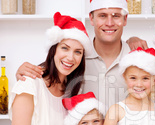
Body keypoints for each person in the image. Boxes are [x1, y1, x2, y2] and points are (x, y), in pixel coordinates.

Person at [10, 12, 92, 125]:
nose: (70, 57)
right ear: (53, 49)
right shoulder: (30, 84)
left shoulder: (72, 92)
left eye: (78, 52)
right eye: (65, 48)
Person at [15, 0, 147, 109]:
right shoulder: (75, 60)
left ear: (125, 19)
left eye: (116, 16)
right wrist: (27, 73)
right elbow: (51, 81)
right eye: (102, 15)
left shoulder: (138, 59)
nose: (109, 23)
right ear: (91, 18)